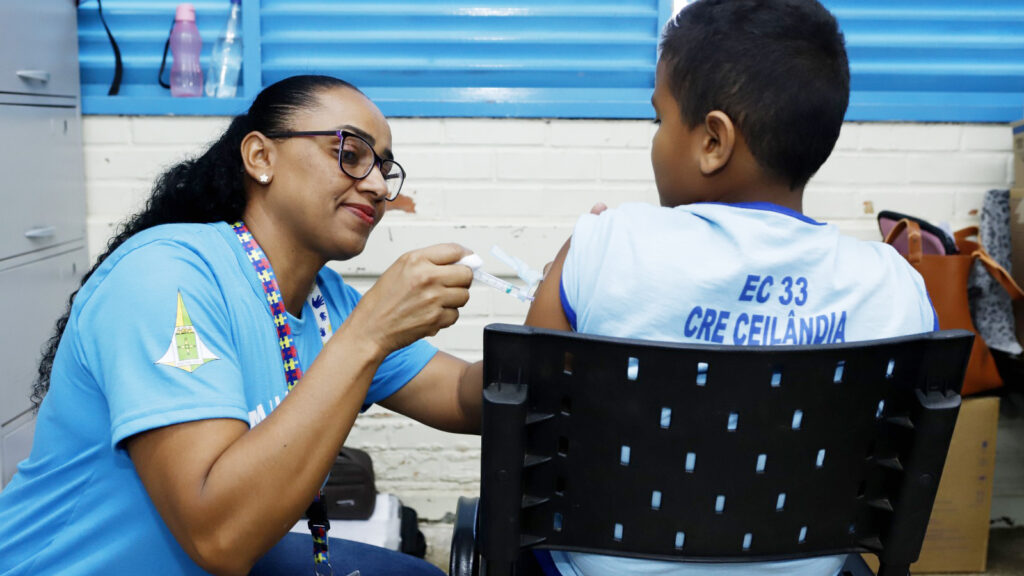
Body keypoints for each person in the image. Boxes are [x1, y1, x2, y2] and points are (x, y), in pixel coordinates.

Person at [0, 75, 484, 576]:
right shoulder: (165, 277)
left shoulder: (328, 302)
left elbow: (464, 395)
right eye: (351, 153)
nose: (379, 186)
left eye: (384, 168)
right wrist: (369, 334)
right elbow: (219, 538)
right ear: (260, 157)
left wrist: (559, 332)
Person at [523, 1, 936, 575]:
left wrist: (578, 262)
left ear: (713, 141)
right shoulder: (895, 287)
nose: (655, 138)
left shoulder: (608, 242)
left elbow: (529, 415)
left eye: (660, 119)